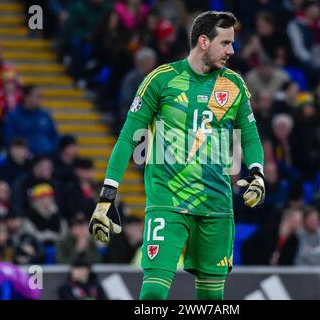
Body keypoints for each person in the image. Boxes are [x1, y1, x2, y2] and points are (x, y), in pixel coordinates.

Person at [88, 11, 266, 300]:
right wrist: (107, 195)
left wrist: (256, 172)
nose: (232, 50)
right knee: (155, 293)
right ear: (204, 42)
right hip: (167, 203)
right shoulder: (161, 80)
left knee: (211, 299)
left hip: (216, 205)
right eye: (226, 43)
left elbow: (250, 135)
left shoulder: (233, 85)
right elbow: (127, 137)